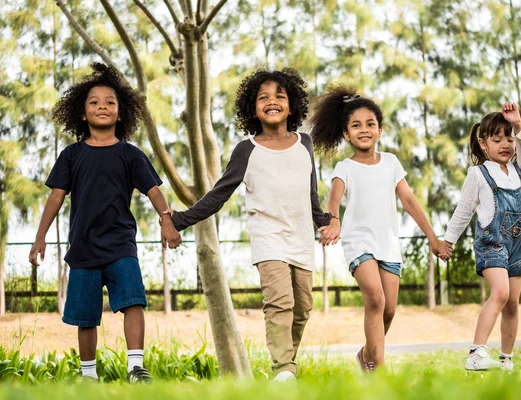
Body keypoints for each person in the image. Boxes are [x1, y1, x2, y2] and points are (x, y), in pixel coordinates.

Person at [165, 68, 333, 381]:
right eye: (263, 97)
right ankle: (283, 369)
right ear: (252, 108)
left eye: (279, 96)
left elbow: (311, 195)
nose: (272, 102)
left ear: (291, 105)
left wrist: (326, 220)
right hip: (268, 239)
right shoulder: (247, 150)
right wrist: (180, 219)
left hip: (300, 238)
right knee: (279, 302)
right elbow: (218, 195)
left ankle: (286, 366)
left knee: (304, 307)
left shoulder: (304, 144)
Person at [28, 63, 181, 382]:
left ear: (121, 113)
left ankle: (135, 368)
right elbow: (55, 198)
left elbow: (154, 191)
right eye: (94, 102)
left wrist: (167, 221)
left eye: (110, 102)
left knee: (134, 301)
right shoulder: (71, 155)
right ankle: (88, 375)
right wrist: (39, 236)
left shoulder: (131, 154)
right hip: (82, 248)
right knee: (86, 316)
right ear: (82, 114)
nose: (102, 106)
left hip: (121, 244)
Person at [312, 86, 450, 371]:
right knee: (375, 298)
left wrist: (433, 238)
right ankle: (380, 371)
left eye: (370, 124)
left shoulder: (391, 163)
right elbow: (333, 201)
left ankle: (366, 355)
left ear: (380, 131)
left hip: (388, 244)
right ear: (346, 134)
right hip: (358, 241)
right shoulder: (344, 168)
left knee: (388, 309)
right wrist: (334, 221)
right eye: (356, 125)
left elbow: (409, 201)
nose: (364, 130)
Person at [442, 102, 521, 371]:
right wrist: (448, 240)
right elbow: (463, 211)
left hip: (520, 247)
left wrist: (518, 123)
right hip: (492, 244)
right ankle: (476, 353)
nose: (506, 144)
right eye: (497, 139)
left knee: (512, 304)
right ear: (483, 143)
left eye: (509, 138)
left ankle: (506, 359)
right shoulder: (478, 173)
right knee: (500, 292)